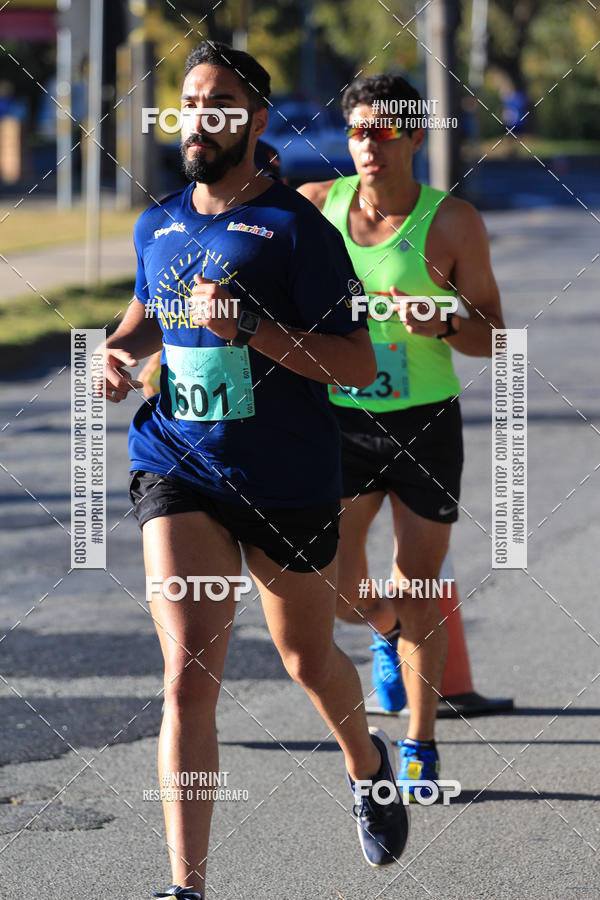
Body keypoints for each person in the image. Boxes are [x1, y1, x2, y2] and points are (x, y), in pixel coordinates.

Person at [101, 44, 408, 899]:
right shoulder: (156, 225)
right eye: (189, 102)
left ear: (256, 119)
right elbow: (139, 324)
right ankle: (187, 887)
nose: (199, 116)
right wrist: (118, 357)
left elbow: (353, 365)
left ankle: (367, 763)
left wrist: (255, 333)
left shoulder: (296, 231)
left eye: (219, 102)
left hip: (286, 478)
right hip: (179, 465)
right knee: (188, 672)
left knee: (307, 659)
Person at [298, 73, 504, 799]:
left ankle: (419, 743)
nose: (368, 146)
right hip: (342, 419)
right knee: (340, 590)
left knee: (419, 585)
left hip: (424, 422)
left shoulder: (453, 224)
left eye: (384, 132)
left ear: (416, 136)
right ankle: (384, 629)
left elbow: (495, 336)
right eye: (357, 131)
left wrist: (442, 318)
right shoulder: (319, 207)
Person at [138, 139, 283, 398]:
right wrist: (132, 352)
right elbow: (158, 305)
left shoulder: (293, 229)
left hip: (271, 418)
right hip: (178, 427)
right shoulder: (163, 223)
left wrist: (243, 326)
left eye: (264, 178)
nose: (250, 188)